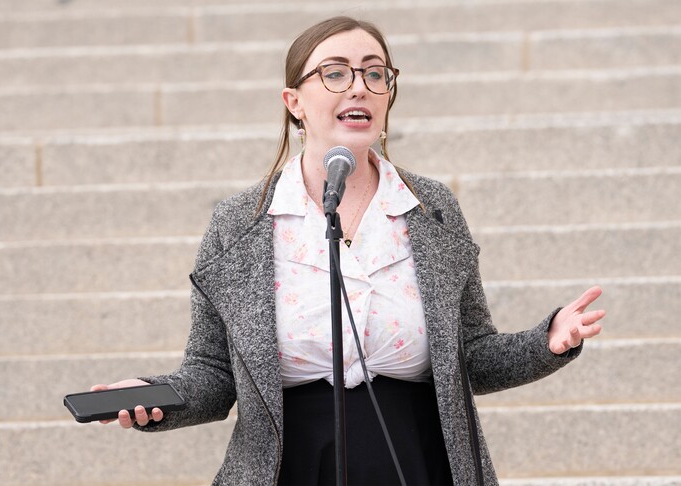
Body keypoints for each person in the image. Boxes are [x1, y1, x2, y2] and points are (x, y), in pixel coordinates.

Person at [92, 16, 605, 486]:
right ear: (294, 102)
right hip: (290, 463)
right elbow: (213, 373)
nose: (359, 85)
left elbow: (470, 357)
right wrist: (156, 399)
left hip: (421, 457)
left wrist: (548, 341)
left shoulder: (431, 209)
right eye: (335, 73)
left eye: (375, 73)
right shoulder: (239, 223)